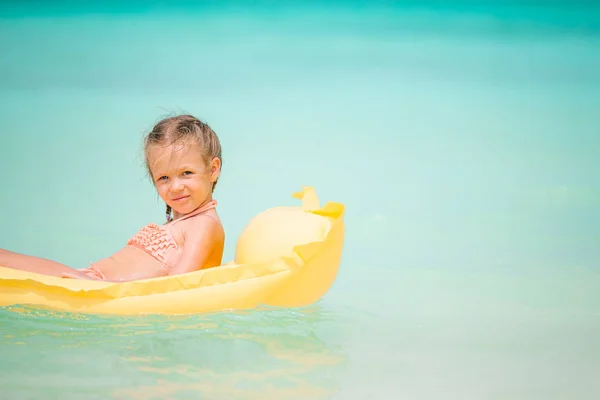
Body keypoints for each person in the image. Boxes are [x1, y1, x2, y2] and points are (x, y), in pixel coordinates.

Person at [0, 114, 225, 282]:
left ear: (213, 169)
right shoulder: (183, 222)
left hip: (98, 288)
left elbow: (178, 284)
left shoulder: (203, 224)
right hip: (90, 280)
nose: (175, 187)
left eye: (187, 173)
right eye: (164, 177)